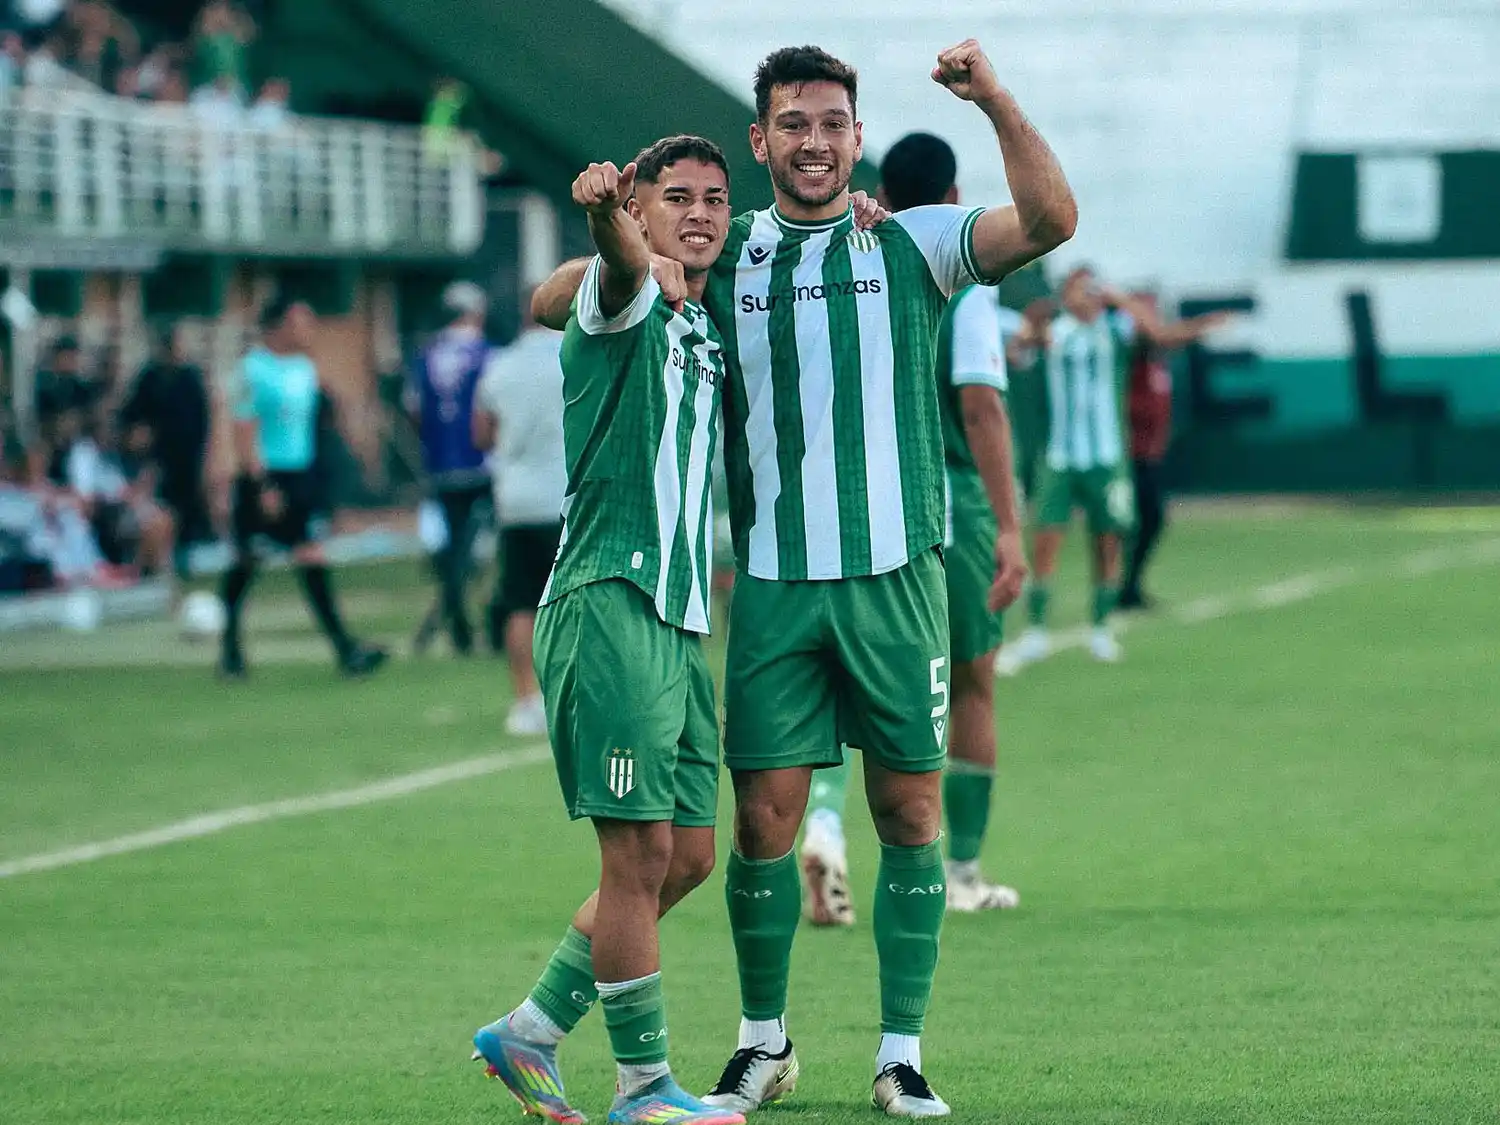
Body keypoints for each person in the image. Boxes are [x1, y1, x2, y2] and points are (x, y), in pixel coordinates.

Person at [533, 38, 1075, 1117]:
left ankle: (901, 1054)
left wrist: (995, 100)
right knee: (763, 824)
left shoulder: (917, 242)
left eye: (832, 124)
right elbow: (562, 301)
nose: (815, 142)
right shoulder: (719, 246)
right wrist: (625, 231)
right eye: (794, 124)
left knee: (909, 811)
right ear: (762, 138)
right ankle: (763, 1043)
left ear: (857, 137)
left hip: (897, 576)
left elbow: (1053, 220)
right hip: (775, 583)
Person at [471, 136, 742, 1125]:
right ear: (639, 203)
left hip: (677, 618)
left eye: (716, 198)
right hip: (609, 599)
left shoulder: (698, 319)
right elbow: (605, 273)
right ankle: (644, 1091)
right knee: (633, 865)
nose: (701, 213)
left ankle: (532, 1030)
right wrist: (605, 219)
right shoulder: (622, 295)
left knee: (688, 859)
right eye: (677, 197)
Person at [797, 131, 1028, 931]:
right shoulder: (957, 269)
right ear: (955, 191)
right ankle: (958, 869)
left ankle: (824, 823)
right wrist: (1008, 525)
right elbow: (979, 401)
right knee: (968, 680)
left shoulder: (853, 256)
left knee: (845, 680)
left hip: (858, 496)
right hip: (949, 496)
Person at [1006, 269, 1231, 667]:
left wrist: (1121, 300)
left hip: (1107, 459)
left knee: (1107, 543)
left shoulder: (1115, 330)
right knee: (1045, 541)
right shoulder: (1057, 331)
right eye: (1081, 288)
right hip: (1060, 457)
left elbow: (1158, 335)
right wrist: (1034, 321)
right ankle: (1036, 631)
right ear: (1066, 294)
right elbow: (1018, 348)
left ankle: (1100, 629)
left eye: (1093, 289)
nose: (1088, 296)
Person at [218, 296, 387, 680]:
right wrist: (261, 484)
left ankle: (345, 648)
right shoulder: (251, 370)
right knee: (247, 560)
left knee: (311, 555)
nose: (309, 329)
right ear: (279, 326)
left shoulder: (302, 368)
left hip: (301, 476)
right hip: (266, 477)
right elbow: (243, 429)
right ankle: (230, 649)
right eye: (301, 321)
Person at [472, 295, 566, 737]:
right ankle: (574, 695)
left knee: (521, 604)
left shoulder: (499, 365)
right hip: (567, 496)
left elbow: (482, 434)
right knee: (573, 605)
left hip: (516, 502)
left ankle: (527, 700)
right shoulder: (574, 353)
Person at [405, 281, 494, 656]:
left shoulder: (426, 356)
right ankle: (471, 626)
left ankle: (455, 626)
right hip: (484, 463)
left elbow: (412, 409)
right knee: (476, 552)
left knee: (456, 546)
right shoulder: (488, 354)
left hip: (440, 464)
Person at [119, 321, 212, 581]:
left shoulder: (190, 377)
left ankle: (184, 557)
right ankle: (160, 560)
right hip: (158, 457)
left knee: (187, 505)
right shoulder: (150, 378)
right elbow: (133, 414)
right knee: (163, 505)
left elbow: (202, 420)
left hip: (187, 454)